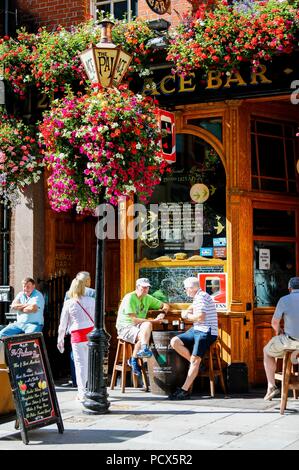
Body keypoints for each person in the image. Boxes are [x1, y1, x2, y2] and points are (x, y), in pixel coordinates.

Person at [169, 277, 218, 400]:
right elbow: (194, 306)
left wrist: (187, 316)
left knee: (195, 360)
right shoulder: (200, 295)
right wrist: (187, 310)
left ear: (192, 288)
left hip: (206, 331)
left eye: (186, 289)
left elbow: (201, 317)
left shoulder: (201, 297)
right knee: (174, 341)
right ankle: (196, 363)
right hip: (197, 329)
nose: (185, 291)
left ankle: (184, 390)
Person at [116, 277, 169, 376]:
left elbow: (165, 305)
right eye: (143, 287)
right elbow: (134, 320)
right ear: (137, 287)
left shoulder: (148, 297)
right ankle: (135, 358)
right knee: (145, 333)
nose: (145, 290)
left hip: (138, 327)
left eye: (147, 288)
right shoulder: (130, 297)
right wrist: (154, 321)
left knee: (147, 327)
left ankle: (137, 356)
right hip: (125, 327)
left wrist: (162, 314)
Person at [57, 277, 95, 402]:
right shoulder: (92, 300)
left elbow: (63, 323)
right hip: (91, 334)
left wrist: (60, 339)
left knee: (80, 365)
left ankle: (82, 392)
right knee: (91, 364)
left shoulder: (69, 303)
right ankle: (91, 389)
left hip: (77, 335)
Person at [263, 276, 299, 401]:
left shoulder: (284, 299)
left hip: (291, 341)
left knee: (267, 352)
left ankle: (271, 386)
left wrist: (279, 332)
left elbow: (274, 322)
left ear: (289, 288)